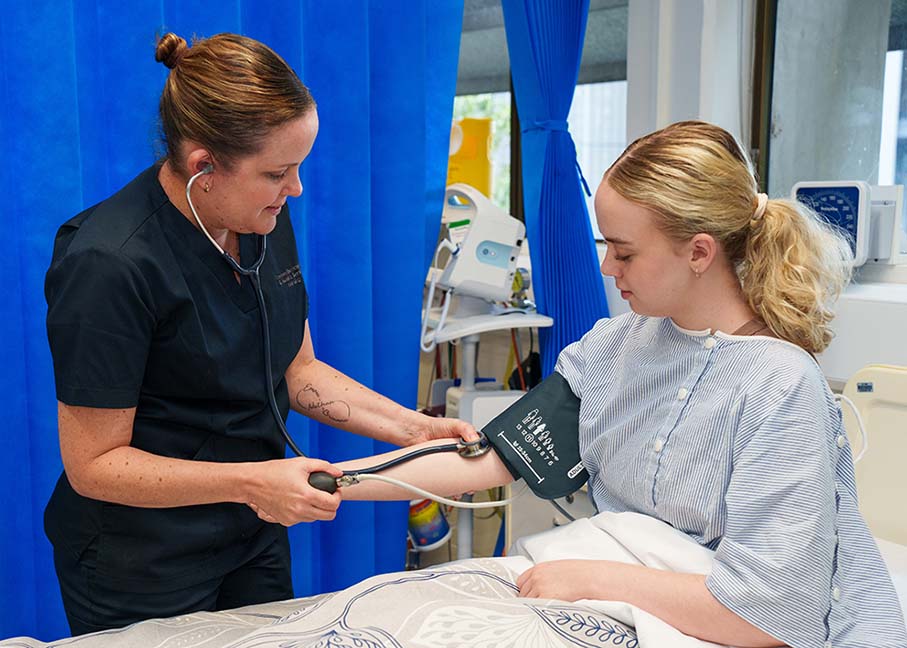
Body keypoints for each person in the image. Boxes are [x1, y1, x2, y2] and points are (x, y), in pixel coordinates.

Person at [291, 121, 907, 647]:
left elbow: (775, 616)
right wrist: (337, 483)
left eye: (624, 251)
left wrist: (595, 578)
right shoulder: (617, 349)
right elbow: (485, 460)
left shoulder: (780, 386)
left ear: (698, 252)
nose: (607, 268)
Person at [43, 32, 474, 636]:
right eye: (278, 172)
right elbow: (94, 464)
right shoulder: (108, 263)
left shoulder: (260, 217)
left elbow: (298, 371)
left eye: (297, 168)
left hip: (253, 534)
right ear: (203, 167)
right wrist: (252, 481)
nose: (294, 189)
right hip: (141, 560)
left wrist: (419, 430)